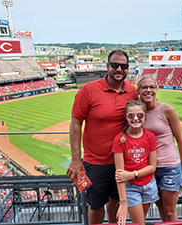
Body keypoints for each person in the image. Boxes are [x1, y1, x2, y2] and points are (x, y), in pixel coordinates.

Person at [66, 50, 138, 224]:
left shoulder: (132, 92)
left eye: (124, 66)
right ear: (107, 66)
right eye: (115, 65)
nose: (119, 69)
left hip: (122, 161)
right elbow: (76, 124)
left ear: (128, 69)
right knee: (96, 205)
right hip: (95, 162)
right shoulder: (88, 90)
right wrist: (76, 159)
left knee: (115, 202)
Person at [137, 75, 182, 221]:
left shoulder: (167, 110)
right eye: (144, 87)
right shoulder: (137, 113)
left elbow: (180, 140)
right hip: (148, 168)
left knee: (169, 210)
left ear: (156, 89)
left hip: (169, 167)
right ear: (138, 91)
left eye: (152, 87)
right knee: (159, 206)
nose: (148, 90)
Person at [112, 100, 159, 225]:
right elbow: (120, 175)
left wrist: (132, 174)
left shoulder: (150, 137)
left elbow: (152, 166)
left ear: (145, 116)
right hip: (131, 187)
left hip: (148, 184)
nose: (136, 119)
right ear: (126, 117)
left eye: (140, 115)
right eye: (131, 115)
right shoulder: (119, 139)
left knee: (141, 220)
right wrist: (123, 201)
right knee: (139, 223)